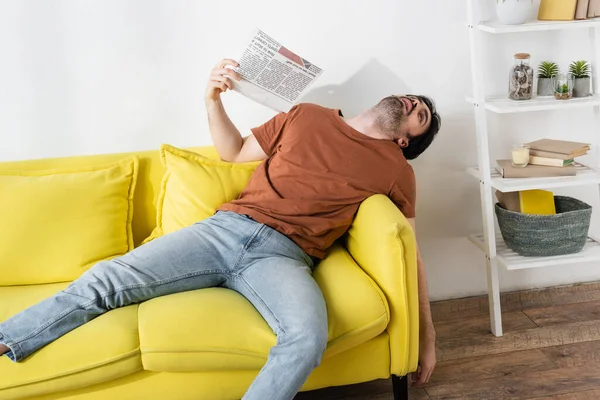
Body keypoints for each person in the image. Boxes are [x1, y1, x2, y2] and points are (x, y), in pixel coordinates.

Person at [0, 58, 441, 399]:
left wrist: (428, 336)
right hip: (223, 231)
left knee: (307, 337)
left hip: (284, 258)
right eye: (413, 99)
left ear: (405, 141)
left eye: (419, 114)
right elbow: (232, 152)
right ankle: (6, 339)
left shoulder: (396, 171)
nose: (412, 103)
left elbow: (410, 254)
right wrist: (212, 98)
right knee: (107, 279)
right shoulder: (307, 114)